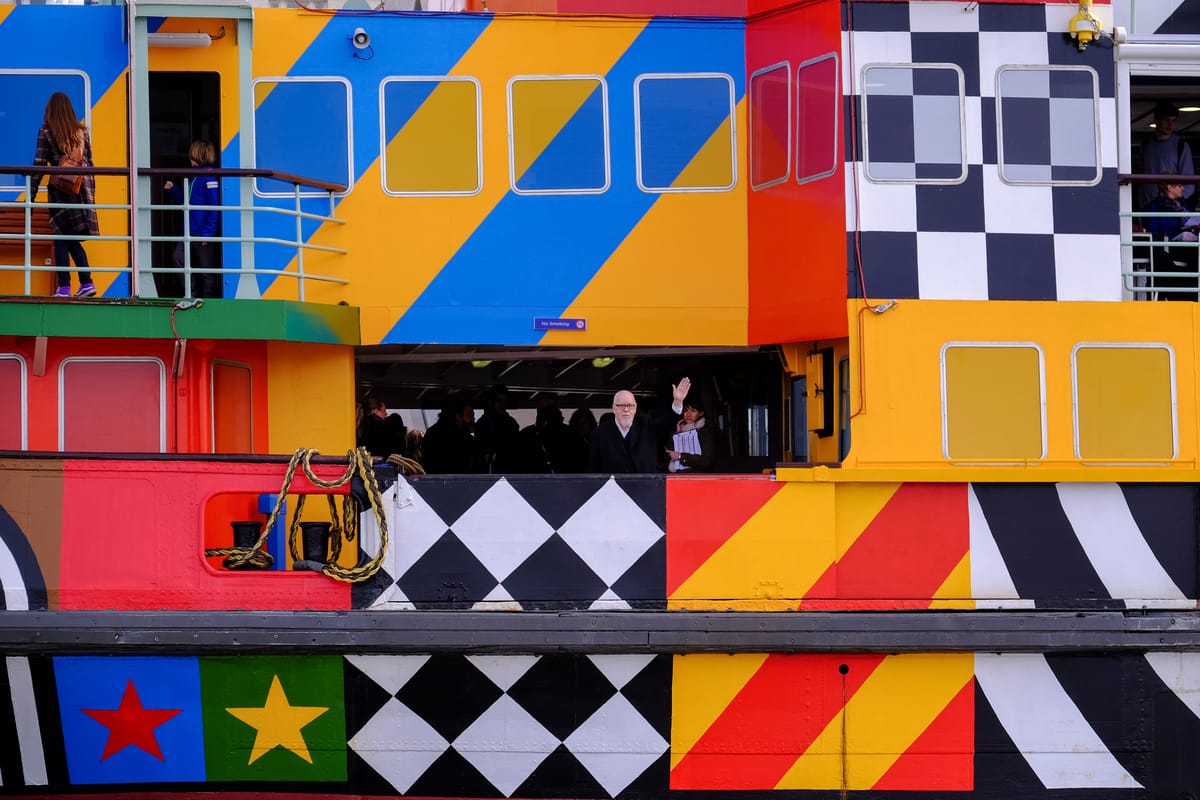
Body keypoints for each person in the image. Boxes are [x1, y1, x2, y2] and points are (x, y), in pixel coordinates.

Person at [32, 92, 98, 298]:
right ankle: (86, 283)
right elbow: (90, 164)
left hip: (61, 191)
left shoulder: (46, 131)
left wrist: (30, 196)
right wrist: (89, 196)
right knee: (70, 238)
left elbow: (40, 165)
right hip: (80, 190)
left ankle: (64, 288)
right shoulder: (82, 132)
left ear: (50, 110)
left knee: (61, 237)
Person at [587, 377, 690, 474]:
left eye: (629, 405)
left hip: (644, 487)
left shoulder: (647, 425)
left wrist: (677, 402)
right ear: (614, 408)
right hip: (613, 488)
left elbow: (667, 424)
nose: (626, 409)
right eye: (621, 405)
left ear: (635, 408)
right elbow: (593, 466)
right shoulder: (600, 432)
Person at [163, 140, 221, 298]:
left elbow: (214, 206)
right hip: (188, 230)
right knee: (178, 259)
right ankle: (192, 292)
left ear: (196, 156)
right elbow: (186, 200)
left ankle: (209, 298)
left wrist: (208, 233)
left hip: (202, 232)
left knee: (206, 268)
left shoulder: (209, 176)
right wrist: (174, 189)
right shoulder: (194, 177)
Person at [1146, 178, 1199, 300]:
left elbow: (1190, 219)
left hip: (1187, 245)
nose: (1183, 188)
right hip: (1168, 246)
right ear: (1170, 187)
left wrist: (1194, 226)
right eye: (1179, 185)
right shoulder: (1156, 206)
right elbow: (1153, 229)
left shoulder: (1183, 205)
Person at [1139, 102, 1195, 211]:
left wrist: (1177, 203)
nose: (1170, 125)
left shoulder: (1180, 145)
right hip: (1147, 205)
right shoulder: (1146, 145)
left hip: (1172, 207)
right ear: (1156, 120)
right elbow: (1140, 175)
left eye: (1173, 121)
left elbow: (1189, 181)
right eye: (1166, 120)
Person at [421, 398, 480, 474]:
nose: (473, 418)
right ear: (458, 416)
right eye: (469, 415)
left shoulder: (431, 432)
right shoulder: (465, 439)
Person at [474, 386, 521, 473]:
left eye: (505, 401)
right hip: (491, 472)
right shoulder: (484, 423)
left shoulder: (511, 422)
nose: (502, 404)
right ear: (491, 402)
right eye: (499, 400)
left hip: (511, 470)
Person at [666, 396, 717, 472]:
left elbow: (707, 461)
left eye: (693, 410)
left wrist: (681, 456)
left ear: (701, 413)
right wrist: (677, 434)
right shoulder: (679, 430)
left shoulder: (705, 432)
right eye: (686, 411)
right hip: (679, 477)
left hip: (699, 478)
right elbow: (668, 455)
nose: (688, 414)